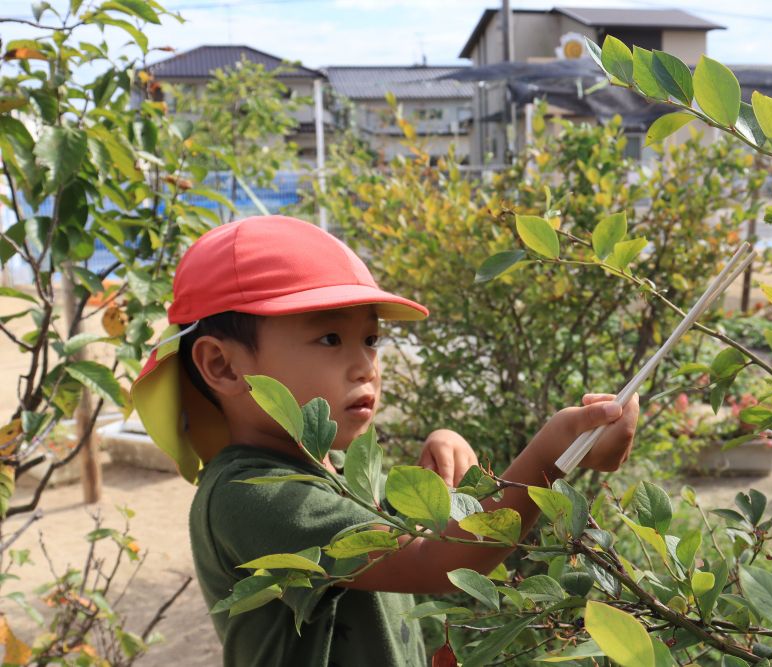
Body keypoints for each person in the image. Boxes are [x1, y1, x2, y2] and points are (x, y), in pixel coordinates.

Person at [131, 215, 639, 666]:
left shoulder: (330, 469)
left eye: (371, 340)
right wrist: (549, 454)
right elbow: (437, 562)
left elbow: (435, 540)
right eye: (330, 338)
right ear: (222, 365)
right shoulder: (252, 495)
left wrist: (461, 463)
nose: (365, 366)